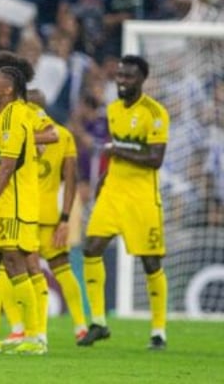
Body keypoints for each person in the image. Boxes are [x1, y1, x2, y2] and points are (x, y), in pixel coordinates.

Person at [78, 55, 169, 350]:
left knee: (150, 261)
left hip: (142, 196)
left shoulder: (155, 114)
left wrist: (117, 149)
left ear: (141, 79)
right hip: (114, 190)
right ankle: (99, 323)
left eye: (128, 77)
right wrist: (104, 177)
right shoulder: (114, 109)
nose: (122, 81)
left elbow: (155, 160)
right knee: (91, 247)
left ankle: (158, 331)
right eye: (119, 76)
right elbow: (114, 151)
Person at [0, 66, 44, 355]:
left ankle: (35, 336)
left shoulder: (15, 117)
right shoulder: (0, 115)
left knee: (15, 263)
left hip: (13, 204)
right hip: (0, 200)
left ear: (9, 89)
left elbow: (11, 167)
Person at [28, 89, 87, 344]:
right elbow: (71, 180)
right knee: (62, 270)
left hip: (23, 215)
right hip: (52, 215)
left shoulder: (21, 133)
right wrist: (65, 219)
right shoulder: (63, 135)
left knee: (22, 274)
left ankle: (29, 329)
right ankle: (80, 325)